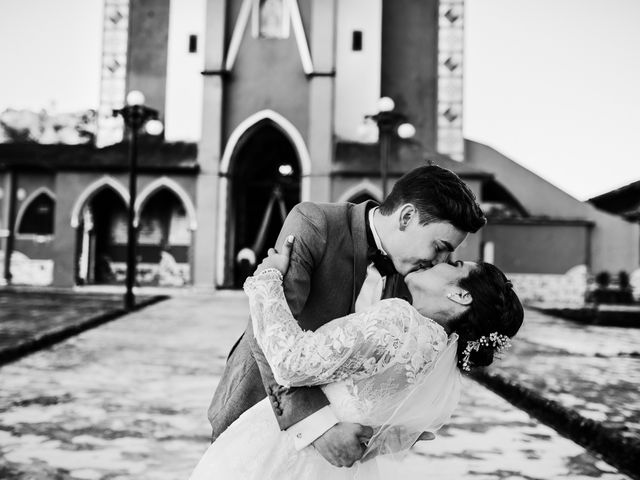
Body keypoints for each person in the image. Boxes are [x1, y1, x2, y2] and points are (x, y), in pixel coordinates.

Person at [208, 165, 487, 468]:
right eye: (439, 247)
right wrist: (318, 427)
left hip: (339, 450)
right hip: (261, 414)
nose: (439, 262)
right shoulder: (316, 222)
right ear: (407, 217)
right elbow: (268, 329)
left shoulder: (413, 283)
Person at [190, 236, 524, 479]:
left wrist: (267, 280)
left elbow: (290, 363)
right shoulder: (439, 367)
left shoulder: (400, 321)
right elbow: (390, 439)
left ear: (461, 294)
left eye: (452, 264)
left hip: (276, 453)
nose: (438, 262)